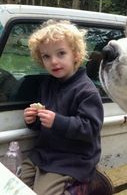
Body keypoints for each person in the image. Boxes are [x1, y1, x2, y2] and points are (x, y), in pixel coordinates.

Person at [21, 20, 104, 195]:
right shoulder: (47, 84)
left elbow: (91, 128)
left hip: (72, 159)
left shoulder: (87, 90)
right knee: (16, 183)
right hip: (44, 153)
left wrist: (57, 121)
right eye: (46, 56)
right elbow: (45, 122)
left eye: (61, 53)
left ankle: (87, 185)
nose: (54, 61)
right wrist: (34, 120)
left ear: (75, 55)